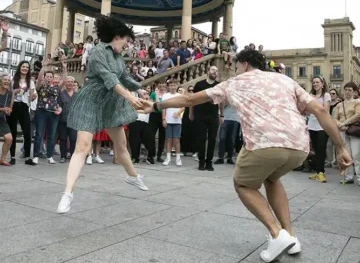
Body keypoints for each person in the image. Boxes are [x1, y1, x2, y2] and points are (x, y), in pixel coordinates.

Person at [140, 49, 352, 263]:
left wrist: (156, 105)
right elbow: (321, 111)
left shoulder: (235, 83)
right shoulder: (285, 80)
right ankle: (292, 237)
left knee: (243, 184)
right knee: (272, 178)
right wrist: (341, 147)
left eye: (236, 66)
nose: (234, 69)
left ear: (246, 64)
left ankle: (276, 234)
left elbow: (189, 99)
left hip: (265, 143)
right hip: (299, 147)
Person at [57, 15, 149, 214]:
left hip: (111, 103)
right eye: (126, 40)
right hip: (91, 101)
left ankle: (133, 177)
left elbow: (123, 77)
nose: (127, 45)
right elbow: (108, 78)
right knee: (82, 147)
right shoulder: (99, 51)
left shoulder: (118, 57)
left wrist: (139, 89)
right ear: (117, 36)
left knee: (121, 146)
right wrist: (129, 97)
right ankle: (67, 193)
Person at [190, 66, 223, 171]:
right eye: (213, 70)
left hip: (213, 116)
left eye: (217, 71)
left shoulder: (218, 85)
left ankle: (209, 162)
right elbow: (192, 100)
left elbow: (221, 101)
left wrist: (221, 115)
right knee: (202, 138)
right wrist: (191, 113)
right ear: (208, 71)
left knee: (212, 139)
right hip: (200, 115)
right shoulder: (199, 84)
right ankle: (201, 162)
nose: (215, 72)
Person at [7, 60, 36, 166]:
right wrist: (15, 92)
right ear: (19, 67)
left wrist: (33, 97)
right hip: (13, 105)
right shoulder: (12, 79)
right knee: (13, 132)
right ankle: (12, 157)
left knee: (27, 133)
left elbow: (32, 97)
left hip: (24, 106)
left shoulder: (31, 81)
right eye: (23, 66)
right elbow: (8, 93)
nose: (25, 69)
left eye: (27, 67)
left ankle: (28, 157)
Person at [307, 76, 331, 183]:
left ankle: (321, 172)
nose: (315, 84)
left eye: (317, 82)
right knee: (316, 149)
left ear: (322, 84)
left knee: (321, 148)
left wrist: (314, 102)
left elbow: (325, 111)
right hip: (312, 125)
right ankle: (317, 172)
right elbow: (307, 111)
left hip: (322, 126)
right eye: (314, 83)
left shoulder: (326, 95)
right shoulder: (310, 96)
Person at [162, 80, 184, 166]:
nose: (173, 87)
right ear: (168, 86)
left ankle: (178, 158)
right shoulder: (165, 96)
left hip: (177, 121)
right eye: (171, 85)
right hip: (168, 120)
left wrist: (178, 113)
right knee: (168, 139)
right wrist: (164, 119)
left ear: (177, 86)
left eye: (174, 85)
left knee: (177, 140)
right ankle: (168, 158)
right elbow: (163, 108)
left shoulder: (180, 96)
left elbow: (183, 106)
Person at [58, 76, 78, 163]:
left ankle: (73, 155)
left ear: (74, 84)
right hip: (62, 120)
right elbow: (58, 105)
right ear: (65, 83)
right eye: (68, 81)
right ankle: (63, 156)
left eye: (71, 82)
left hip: (73, 120)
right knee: (63, 138)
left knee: (73, 138)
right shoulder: (61, 93)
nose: (70, 83)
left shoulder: (77, 94)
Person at [0, 74, 14, 166]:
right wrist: (2, 109)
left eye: (8, 80)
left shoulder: (10, 94)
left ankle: (3, 159)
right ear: (0, 81)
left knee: (9, 138)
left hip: (1, 119)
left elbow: (10, 107)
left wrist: (8, 110)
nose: (7, 82)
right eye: (5, 79)